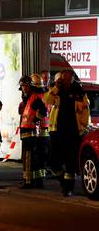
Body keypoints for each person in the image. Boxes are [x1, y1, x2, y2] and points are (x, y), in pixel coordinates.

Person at [43, 69, 90, 197]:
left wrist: (83, 126)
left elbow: (86, 110)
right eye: (63, 78)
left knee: (70, 163)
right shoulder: (57, 90)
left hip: (73, 132)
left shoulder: (79, 92)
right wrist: (55, 88)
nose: (65, 81)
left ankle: (68, 188)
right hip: (57, 131)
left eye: (68, 78)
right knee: (53, 163)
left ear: (72, 78)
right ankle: (63, 181)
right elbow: (47, 100)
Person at [17, 74, 48, 188]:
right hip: (26, 132)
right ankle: (33, 180)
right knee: (29, 158)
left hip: (30, 133)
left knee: (29, 158)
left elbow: (43, 111)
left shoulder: (34, 98)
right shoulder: (28, 98)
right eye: (22, 86)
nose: (24, 88)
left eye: (25, 86)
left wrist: (36, 119)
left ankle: (28, 181)